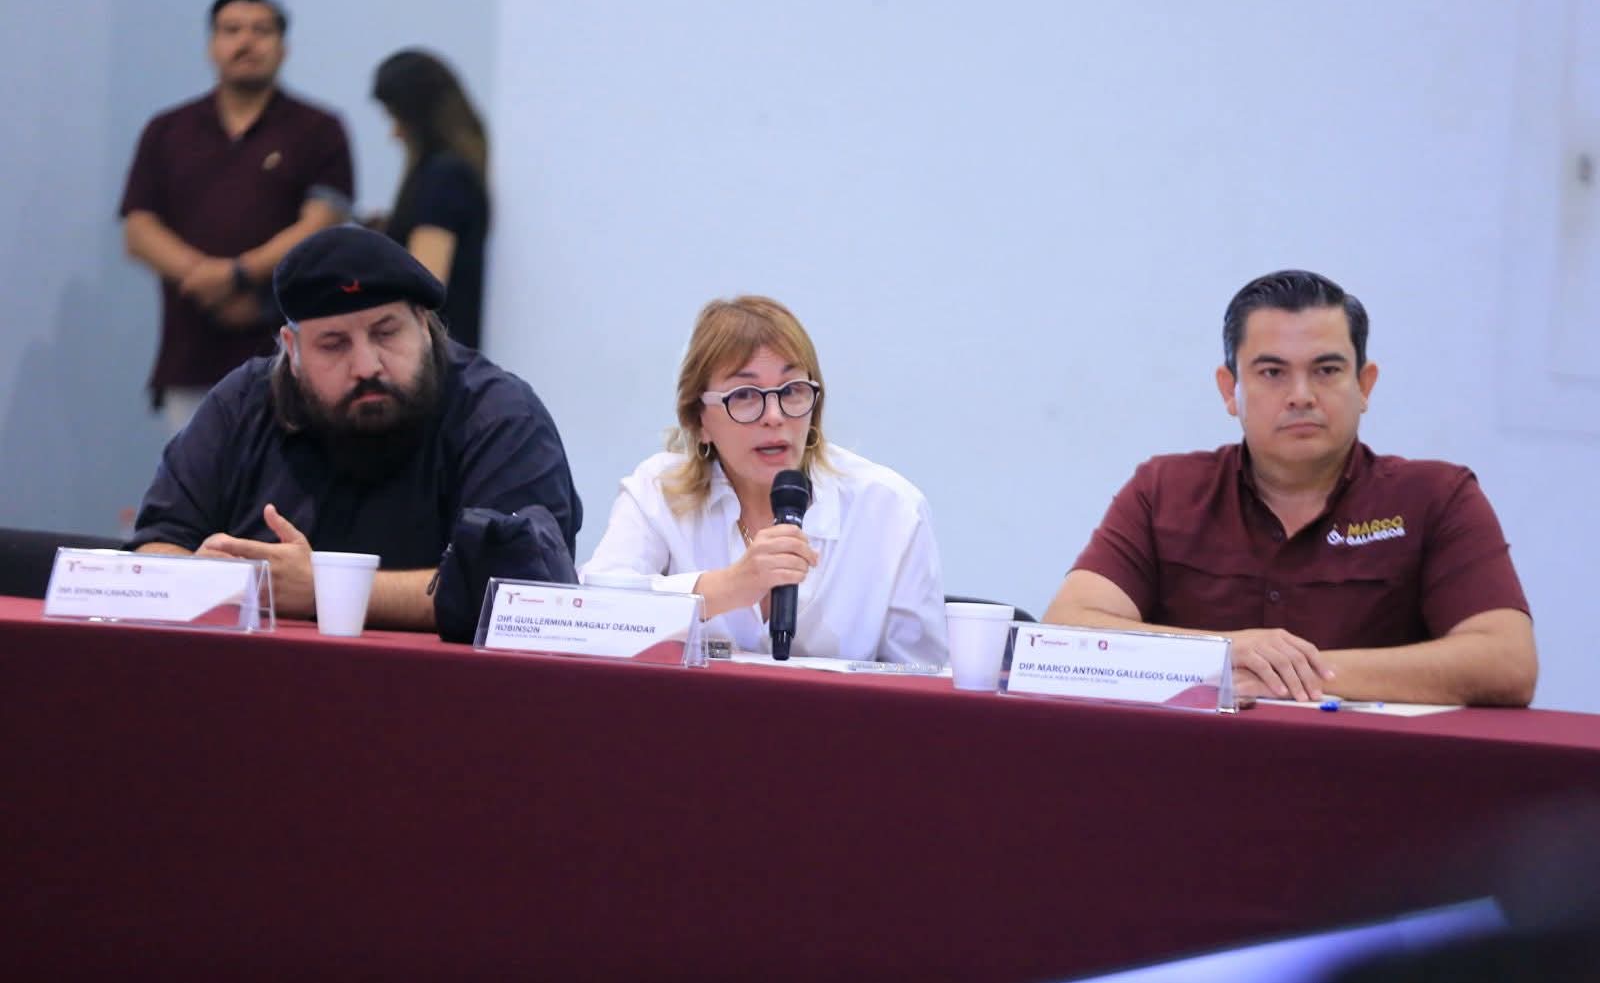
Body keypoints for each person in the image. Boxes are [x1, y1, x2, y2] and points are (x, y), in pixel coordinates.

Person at [1043, 270, 1536, 705]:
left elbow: (1506, 662)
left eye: (1326, 370)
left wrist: (1291, 671)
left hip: (1371, 770)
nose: (1301, 396)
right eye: (1273, 372)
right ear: (1229, 390)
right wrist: (1221, 654)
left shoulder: (1436, 497)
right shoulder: (1165, 491)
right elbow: (1066, 629)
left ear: (1364, 385)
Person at [130, 226, 581, 631]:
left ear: (424, 325)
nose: (366, 366)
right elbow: (155, 548)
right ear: (292, 349)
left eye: (386, 333)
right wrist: (210, 580)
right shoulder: (242, 405)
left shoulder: (500, 417)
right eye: (333, 344)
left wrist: (322, 590)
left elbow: (523, 590)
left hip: (440, 689)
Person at [582, 295, 947, 664]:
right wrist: (727, 587)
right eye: (744, 395)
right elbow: (590, 618)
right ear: (698, 420)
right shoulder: (657, 491)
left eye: (791, 391)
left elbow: (924, 680)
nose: (774, 416)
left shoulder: (892, 510)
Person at [121, 0, 355, 433]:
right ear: (212, 45)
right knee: (196, 474)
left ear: (283, 47)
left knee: (289, 476)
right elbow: (139, 229)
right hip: (190, 354)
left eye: (261, 30)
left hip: (292, 358)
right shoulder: (168, 130)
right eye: (231, 30)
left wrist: (239, 274)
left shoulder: (319, 130)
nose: (246, 42)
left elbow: (321, 224)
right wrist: (204, 277)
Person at [372, 49, 490, 349]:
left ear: (416, 118)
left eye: (395, 118)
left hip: (434, 358)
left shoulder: (444, 177)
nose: (393, 134)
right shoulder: (458, 172)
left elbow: (423, 284)